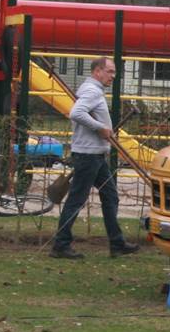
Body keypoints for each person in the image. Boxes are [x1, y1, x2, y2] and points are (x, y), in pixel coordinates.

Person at [52, 58, 138, 260]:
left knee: (110, 196)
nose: (113, 76)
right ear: (97, 71)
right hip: (88, 156)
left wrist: (101, 130)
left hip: (95, 155)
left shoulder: (92, 90)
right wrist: (100, 128)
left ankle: (117, 243)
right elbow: (76, 113)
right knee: (76, 199)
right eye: (110, 71)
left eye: (114, 72)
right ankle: (60, 245)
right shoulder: (92, 91)